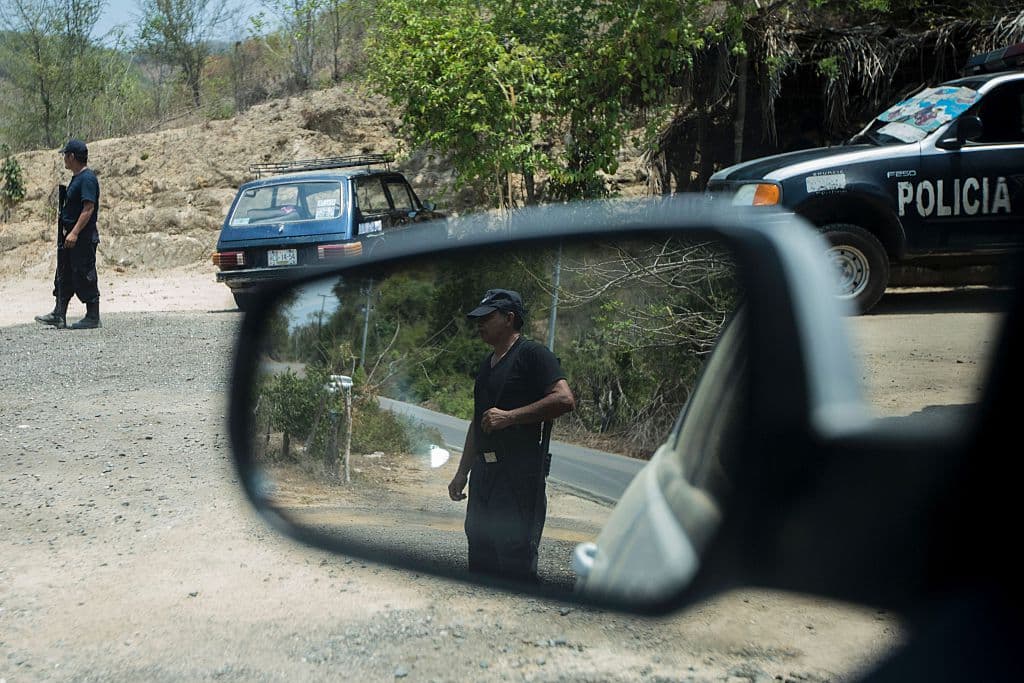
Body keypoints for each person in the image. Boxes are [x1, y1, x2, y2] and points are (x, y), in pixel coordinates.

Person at [447, 288, 575, 581]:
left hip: (517, 476)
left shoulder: (533, 355)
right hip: (483, 476)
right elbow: (476, 422)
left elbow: (565, 399)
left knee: (514, 557)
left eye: (487, 318)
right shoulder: (487, 363)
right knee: (479, 553)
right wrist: (462, 472)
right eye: (478, 319)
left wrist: (510, 417)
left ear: (509, 318)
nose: (480, 324)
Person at [35, 139, 102, 330]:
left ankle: (92, 316)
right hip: (70, 238)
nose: (64, 158)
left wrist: (74, 232)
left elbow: (88, 208)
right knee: (64, 275)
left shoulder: (87, 178)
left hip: (82, 238)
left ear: (72, 156)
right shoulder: (77, 178)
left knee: (84, 273)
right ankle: (59, 314)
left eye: (65, 155)